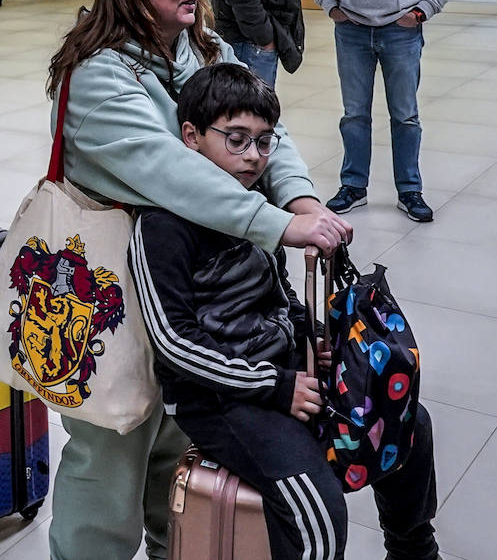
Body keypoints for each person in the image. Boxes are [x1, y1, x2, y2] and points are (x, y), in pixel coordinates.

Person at [44, 0, 351, 560]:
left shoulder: (204, 48)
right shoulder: (99, 75)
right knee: (108, 461)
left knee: (174, 456)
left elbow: (271, 129)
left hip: (189, 294)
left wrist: (299, 196)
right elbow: (174, 174)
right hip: (110, 301)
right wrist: (281, 225)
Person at [131, 63, 440, 560]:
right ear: (190, 136)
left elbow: (279, 293)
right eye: (236, 139)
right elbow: (172, 342)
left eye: (264, 141)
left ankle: (414, 551)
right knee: (314, 506)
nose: (253, 157)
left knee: (409, 424)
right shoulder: (162, 223)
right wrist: (275, 387)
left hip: (285, 374)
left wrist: (308, 335)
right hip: (222, 399)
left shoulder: (255, 204)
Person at [309, 0, 456, 223]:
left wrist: (419, 13)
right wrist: (331, 7)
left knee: (405, 116)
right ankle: (354, 187)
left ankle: (409, 191)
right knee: (354, 115)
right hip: (352, 32)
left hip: (401, 34)